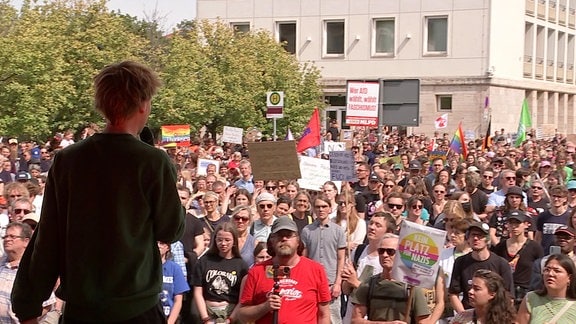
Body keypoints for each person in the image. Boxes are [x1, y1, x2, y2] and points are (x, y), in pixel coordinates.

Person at [11, 61, 185, 323]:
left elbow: (48, 237)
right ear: (143, 103)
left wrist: (28, 304)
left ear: (102, 104)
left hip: (83, 311)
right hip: (138, 309)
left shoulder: (68, 160)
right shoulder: (152, 161)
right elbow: (170, 230)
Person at [238, 217, 331, 324]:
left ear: (298, 240)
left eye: (289, 235)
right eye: (280, 235)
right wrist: (265, 307)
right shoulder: (257, 272)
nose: (284, 239)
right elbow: (243, 315)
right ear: (271, 240)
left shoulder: (316, 269)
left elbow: (324, 314)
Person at [350, 234, 431, 323]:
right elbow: (355, 320)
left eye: (390, 251)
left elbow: (424, 321)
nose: (384, 255)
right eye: (381, 251)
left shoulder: (412, 288)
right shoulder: (368, 284)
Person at [449, 222, 515, 312]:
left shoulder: (501, 264)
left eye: (480, 236)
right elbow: (453, 293)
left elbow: (509, 297)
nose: (476, 238)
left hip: (494, 315)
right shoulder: (460, 262)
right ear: (468, 238)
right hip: (469, 313)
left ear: (487, 240)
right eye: (473, 235)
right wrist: (464, 316)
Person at [302, 194, 347, 324]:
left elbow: (341, 258)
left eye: (324, 206)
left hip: (331, 283)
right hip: (312, 282)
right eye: (318, 207)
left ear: (330, 208)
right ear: (313, 209)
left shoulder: (338, 231)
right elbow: (304, 257)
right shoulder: (307, 230)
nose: (321, 209)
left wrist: (338, 283)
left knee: (333, 318)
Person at [192, 222, 249, 323]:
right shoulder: (204, 261)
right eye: (219, 240)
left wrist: (230, 320)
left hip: (230, 312)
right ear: (214, 240)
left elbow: (242, 299)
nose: (223, 243)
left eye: (227, 240)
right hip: (207, 310)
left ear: (234, 241)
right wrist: (205, 319)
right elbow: (197, 292)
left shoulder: (241, 265)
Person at [491, 210, 543, 306]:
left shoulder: (535, 247)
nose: (514, 227)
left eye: (518, 223)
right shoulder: (500, 246)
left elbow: (540, 271)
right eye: (511, 223)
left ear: (526, 225)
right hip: (504, 291)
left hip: (526, 292)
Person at [517, 254, 576, 323]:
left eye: (557, 271)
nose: (550, 274)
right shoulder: (531, 299)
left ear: (569, 278)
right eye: (547, 270)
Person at [450, 270, 516, 324]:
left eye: (477, 289)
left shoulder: (507, 321)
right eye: (471, 287)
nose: (470, 291)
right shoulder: (461, 319)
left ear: (492, 294)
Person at [158, 241, 190, 324]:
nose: (158, 246)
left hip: (168, 316)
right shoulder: (145, 268)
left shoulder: (175, 268)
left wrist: (170, 322)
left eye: (161, 243)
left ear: (168, 247)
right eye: (156, 243)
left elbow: (178, 301)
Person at [535, 185, 571, 254]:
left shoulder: (569, 217)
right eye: (554, 196)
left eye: (559, 197)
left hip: (563, 255)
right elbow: (538, 238)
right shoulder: (543, 216)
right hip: (545, 254)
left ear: (565, 199)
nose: (556, 199)